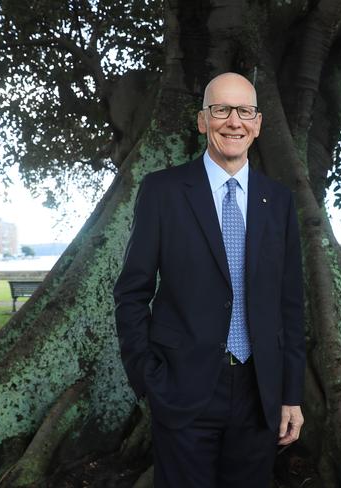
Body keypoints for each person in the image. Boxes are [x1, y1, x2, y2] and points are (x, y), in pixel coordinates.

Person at [113, 72, 306, 488]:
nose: (233, 122)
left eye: (244, 111)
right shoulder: (163, 192)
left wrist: (290, 394)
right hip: (183, 389)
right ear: (203, 120)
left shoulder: (280, 202)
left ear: (257, 123)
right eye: (221, 110)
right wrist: (148, 380)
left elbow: (290, 304)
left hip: (260, 392)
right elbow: (131, 292)